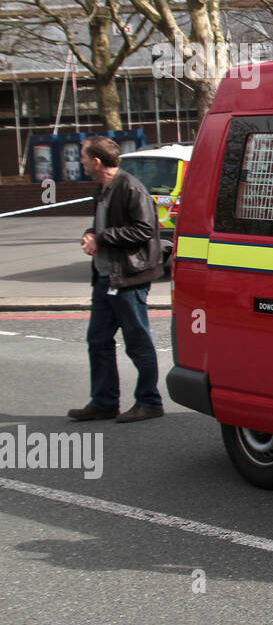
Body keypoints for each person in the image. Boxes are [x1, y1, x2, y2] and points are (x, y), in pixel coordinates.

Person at [68, 136, 165, 423]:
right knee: (97, 340)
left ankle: (149, 401)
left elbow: (144, 229)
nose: (81, 162)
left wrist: (102, 238)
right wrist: (90, 233)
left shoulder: (130, 188)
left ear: (97, 161)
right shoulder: (104, 189)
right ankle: (104, 402)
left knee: (137, 342)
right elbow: (105, 226)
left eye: (84, 157)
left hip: (128, 279)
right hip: (105, 277)